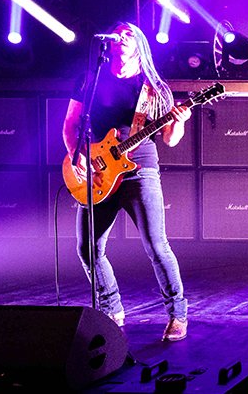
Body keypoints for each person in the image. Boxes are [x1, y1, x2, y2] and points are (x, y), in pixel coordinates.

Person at [62, 22, 191, 342]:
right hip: (97, 170)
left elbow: (170, 139)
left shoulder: (154, 87)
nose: (121, 37)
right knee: (88, 248)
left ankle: (178, 314)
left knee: (156, 246)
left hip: (139, 170)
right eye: (118, 33)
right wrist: (77, 157)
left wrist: (179, 123)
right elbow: (70, 124)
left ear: (139, 45)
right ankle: (111, 309)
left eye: (128, 34)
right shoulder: (90, 78)